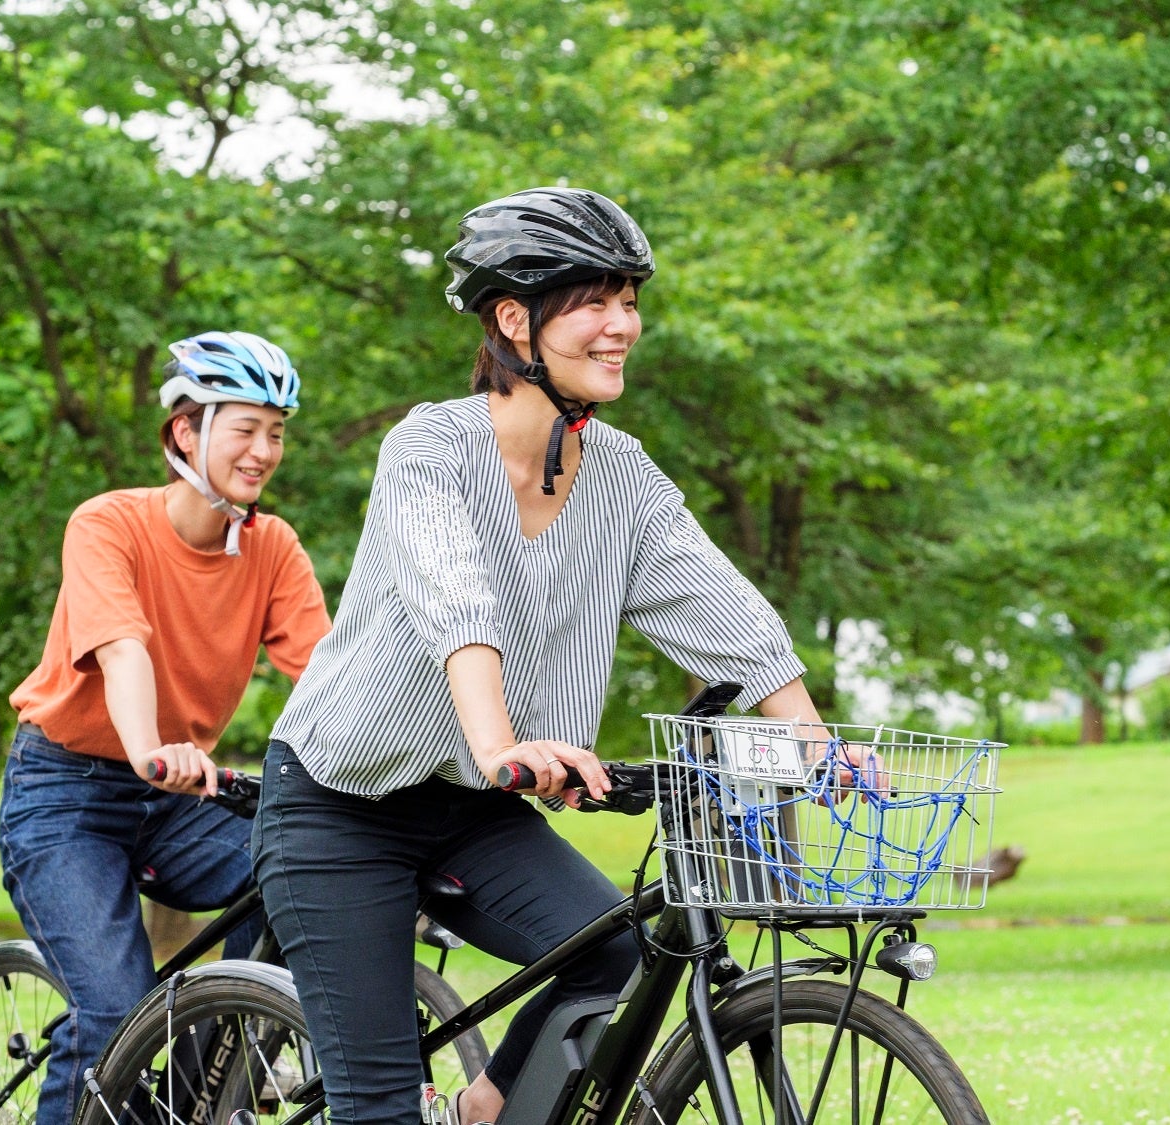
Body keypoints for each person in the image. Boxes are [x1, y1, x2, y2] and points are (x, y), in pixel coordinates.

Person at [252, 187, 863, 1125]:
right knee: (375, 1107)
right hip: (341, 805)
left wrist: (819, 748)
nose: (623, 325)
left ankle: (484, 1109)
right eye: (593, 301)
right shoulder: (429, 448)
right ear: (513, 318)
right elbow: (455, 599)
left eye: (629, 300)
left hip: (473, 810)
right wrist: (503, 742)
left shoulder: (623, 474)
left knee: (619, 951)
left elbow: (730, 619)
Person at [0, 331, 331, 1125]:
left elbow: (333, 677)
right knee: (113, 1012)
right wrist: (150, 746)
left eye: (276, 432)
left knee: (298, 868)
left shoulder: (273, 547)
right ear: (187, 431)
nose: (264, 451)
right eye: (245, 427)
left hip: (179, 798)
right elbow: (123, 647)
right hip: (63, 794)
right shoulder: (108, 522)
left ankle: (201, 1089)